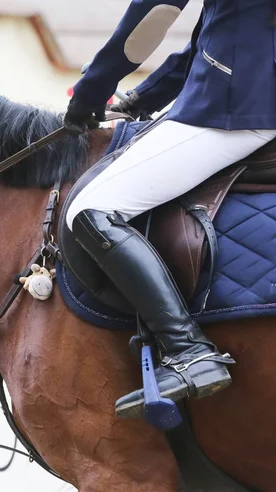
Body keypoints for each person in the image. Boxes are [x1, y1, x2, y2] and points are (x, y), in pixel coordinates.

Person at [64, 0, 276, 419]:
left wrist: (91, 89)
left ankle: (188, 351)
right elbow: (222, 29)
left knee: (92, 207)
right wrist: (144, 96)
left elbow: (154, 13)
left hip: (237, 107)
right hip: (248, 88)